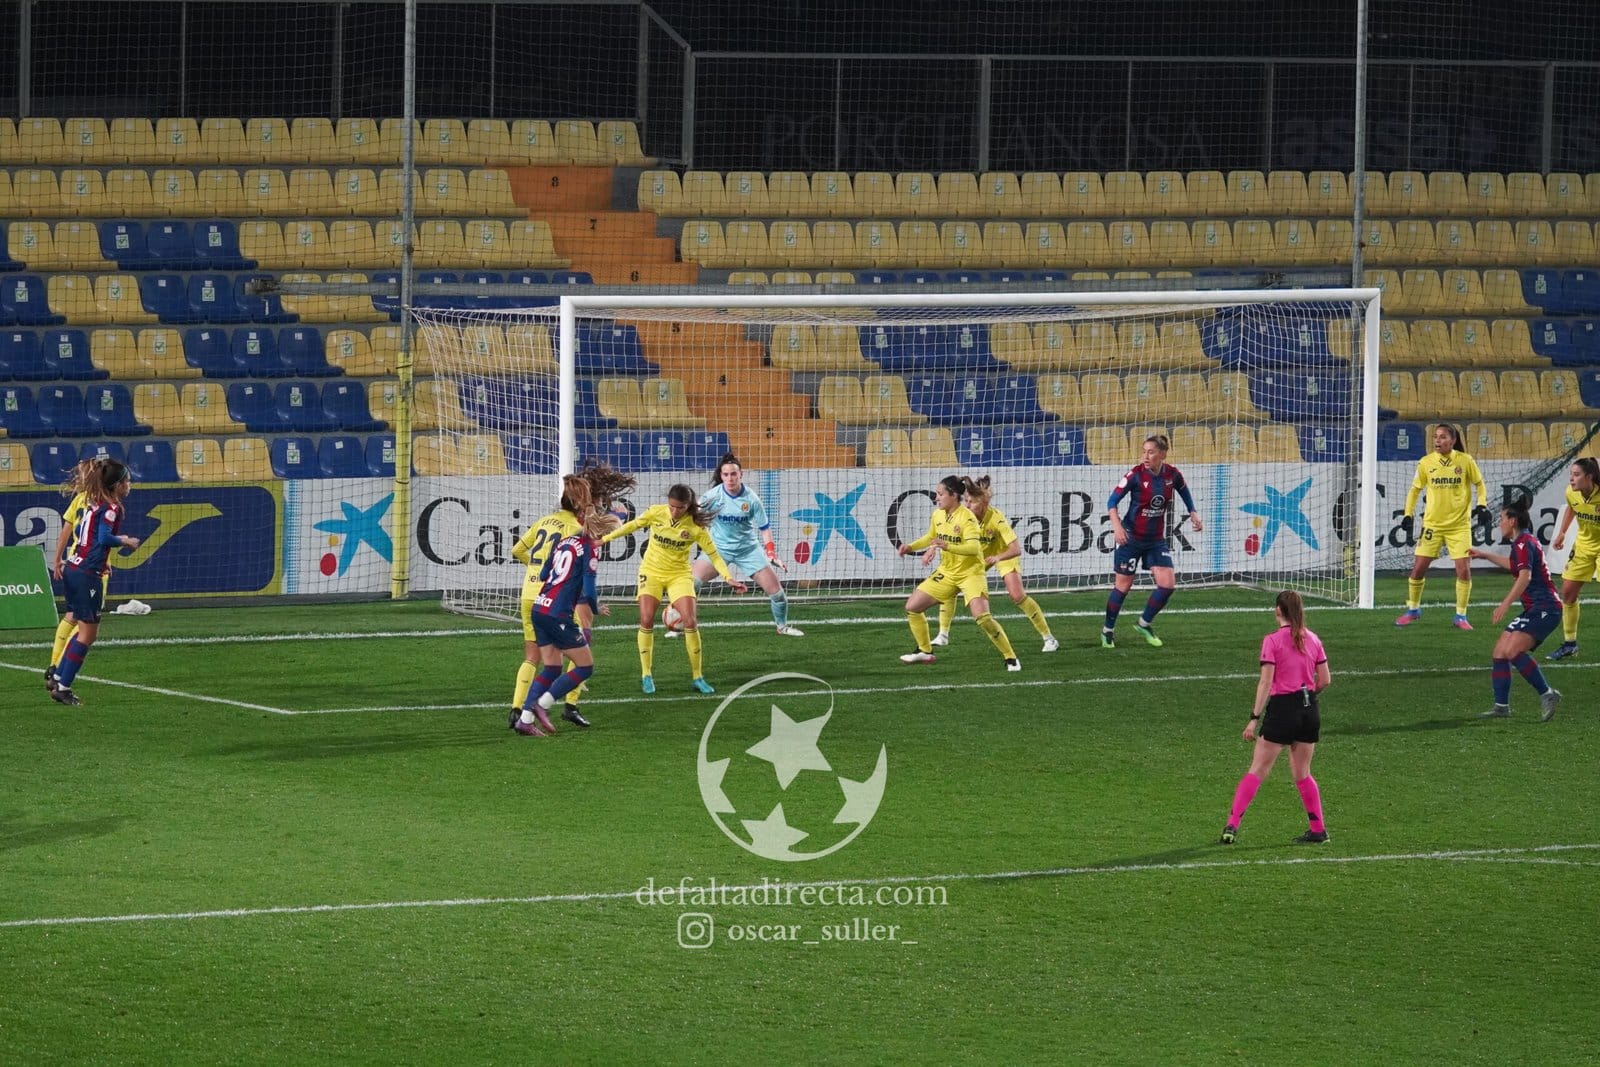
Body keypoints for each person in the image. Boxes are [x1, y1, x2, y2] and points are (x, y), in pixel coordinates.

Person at [507, 463, 634, 729]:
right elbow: (580, 580)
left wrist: (537, 570)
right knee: (583, 645)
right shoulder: (577, 532)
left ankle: (518, 711)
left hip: (532, 597)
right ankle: (567, 705)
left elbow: (518, 551)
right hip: (559, 598)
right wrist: (593, 605)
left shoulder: (546, 521)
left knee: (534, 658)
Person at [602, 483, 747, 694]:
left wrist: (728, 577)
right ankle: (646, 675)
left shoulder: (696, 527)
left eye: (679, 507)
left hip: (679, 575)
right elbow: (632, 526)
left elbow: (714, 555)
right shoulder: (656, 512)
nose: (674, 511)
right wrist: (604, 539)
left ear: (688, 505)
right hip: (651, 572)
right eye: (671, 506)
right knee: (646, 619)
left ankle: (698, 677)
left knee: (690, 620)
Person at [1221, 590, 1332, 846]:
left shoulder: (1272, 640)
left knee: (1257, 770)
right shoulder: (1313, 639)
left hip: (1282, 708)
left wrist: (1253, 718)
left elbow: (1266, 681)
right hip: (1309, 709)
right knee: (1303, 773)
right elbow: (1325, 680)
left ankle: (1232, 826)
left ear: (1278, 611)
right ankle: (1318, 829)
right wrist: (1307, 697)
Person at [513, 508, 620, 737]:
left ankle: (525, 720)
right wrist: (595, 608)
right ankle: (543, 704)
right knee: (585, 666)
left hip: (539, 607)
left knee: (551, 667)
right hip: (558, 613)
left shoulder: (565, 541)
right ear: (600, 531)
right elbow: (589, 592)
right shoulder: (590, 549)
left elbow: (543, 574)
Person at [897, 475, 1021, 671]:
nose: (936, 498)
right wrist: (910, 547)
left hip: (971, 573)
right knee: (912, 607)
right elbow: (931, 537)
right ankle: (925, 651)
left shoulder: (967, 518)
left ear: (953, 496)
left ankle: (1010, 657)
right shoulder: (938, 515)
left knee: (982, 618)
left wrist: (946, 545)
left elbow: (973, 548)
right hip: (947, 572)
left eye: (940, 494)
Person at [49, 459, 141, 707]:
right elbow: (103, 538)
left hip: (74, 567)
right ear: (117, 485)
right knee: (87, 635)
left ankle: (58, 677)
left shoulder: (93, 502)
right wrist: (124, 540)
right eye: (127, 480)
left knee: (80, 627)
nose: (130, 485)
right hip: (87, 573)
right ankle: (64, 687)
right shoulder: (111, 508)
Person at [930, 475, 1058, 653]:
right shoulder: (964, 516)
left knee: (1017, 595)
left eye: (971, 502)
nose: (967, 505)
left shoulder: (997, 518)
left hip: (1003, 553)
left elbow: (1016, 549)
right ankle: (943, 635)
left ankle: (1049, 638)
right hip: (981, 557)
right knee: (950, 584)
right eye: (966, 501)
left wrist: (999, 558)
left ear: (983, 502)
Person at [1103, 434, 1201, 649]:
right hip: (1131, 538)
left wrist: (1193, 512)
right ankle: (1107, 631)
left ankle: (1144, 624)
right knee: (1123, 586)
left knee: (1167, 584)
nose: (1145, 456)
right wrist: (1117, 526)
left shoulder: (1172, 475)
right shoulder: (1135, 475)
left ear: (1162, 454)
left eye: (1151, 452)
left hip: (1155, 540)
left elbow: (1184, 490)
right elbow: (1111, 502)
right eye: (1144, 451)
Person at [1468, 501, 1564, 721]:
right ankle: (1501, 707)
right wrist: (1485, 555)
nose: (1500, 523)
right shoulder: (1523, 542)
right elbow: (1514, 566)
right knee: (1500, 651)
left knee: (1513, 651)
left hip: (1546, 608)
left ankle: (1548, 694)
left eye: (1502, 518)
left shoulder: (1523, 543)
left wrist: (1504, 604)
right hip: (1535, 608)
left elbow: (1525, 577)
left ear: (1512, 521)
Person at [690, 452, 804, 637]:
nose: (730, 478)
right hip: (719, 549)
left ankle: (782, 627)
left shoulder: (751, 499)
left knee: (777, 594)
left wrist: (771, 553)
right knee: (690, 584)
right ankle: (682, 625)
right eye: (726, 475)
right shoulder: (712, 496)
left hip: (748, 550)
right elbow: (693, 514)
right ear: (721, 475)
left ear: (741, 474)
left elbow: (765, 528)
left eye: (733, 474)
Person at [1395, 422, 1490, 630]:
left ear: (1453, 440)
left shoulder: (1465, 461)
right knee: (1418, 569)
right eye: (1435, 437)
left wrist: (1482, 505)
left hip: (1459, 526)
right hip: (1433, 525)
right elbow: (1414, 490)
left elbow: (1480, 484)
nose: (1437, 440)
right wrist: (1408, 514)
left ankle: (1461, 616)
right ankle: (1413, 610)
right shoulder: (1426, 462)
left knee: (1463, 571)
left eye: (1442, 437)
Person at [45, 458, 108, 695]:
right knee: (86, 623)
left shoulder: (80, 499)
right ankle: (61, 671)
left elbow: (65, 531)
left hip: (74, 561)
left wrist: (58, 559)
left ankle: (54, 665)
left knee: (72, 615)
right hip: (91, 568)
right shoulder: (104, 504)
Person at [1544, 457, 1600, 661]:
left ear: (1590, 477)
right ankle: (1570, 644)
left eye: (1576, 475)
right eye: (1571, 475)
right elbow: (1572, 508)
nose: (1571, 479)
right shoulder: (1572, 493)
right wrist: (1562, 533)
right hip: (1584, 546)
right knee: (1567, 593)